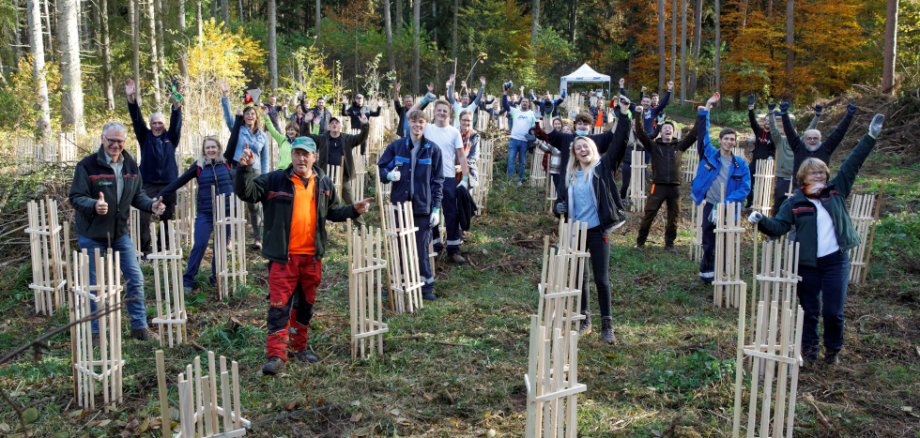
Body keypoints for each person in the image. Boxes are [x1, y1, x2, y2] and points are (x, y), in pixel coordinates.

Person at [750, 114, 885, 366]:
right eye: (813, 174)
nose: (819, 177)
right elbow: (778, 227)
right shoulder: (795, 202)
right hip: (807, 264)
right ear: (803, 178)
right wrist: (761, 221)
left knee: (833, 311)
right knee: (810, 310)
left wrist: (870, 136)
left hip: (835, 261)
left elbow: (853, 163)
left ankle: (833, 350)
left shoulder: (836, 190)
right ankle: (809, 352)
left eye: (821, 173)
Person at [235, 136, 373, 375]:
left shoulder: (324, 183)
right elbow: (247, 192)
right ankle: (276, 355)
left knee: (305, 305)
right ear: (292, 155)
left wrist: (353, 210)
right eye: (297, 153)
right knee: (279, 306)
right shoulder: (276, 180)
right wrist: (244, 169)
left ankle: (299, 347)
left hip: (311, 258)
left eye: (305, 154)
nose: (301, 158)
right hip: (283, 258)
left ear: (314, 157)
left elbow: (333, 212)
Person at [68, 121, 167, 341]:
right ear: (102, 139)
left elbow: (137, 194)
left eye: (119, 141)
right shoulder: (87, 166)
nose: (115, 145)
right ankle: (95, 333)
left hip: (120, 233)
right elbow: (75, 196)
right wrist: (94, 205)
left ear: (125, 141)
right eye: (111, 140)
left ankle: (139, 327)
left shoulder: (130, 165)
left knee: (136, 277)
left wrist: (151, 205)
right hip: (92, 234)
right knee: (95, 285)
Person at [553, 98, 632, 344]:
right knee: (579, 276)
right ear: (574, 153)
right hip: (576, 231)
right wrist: (559, 207)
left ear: (592, 148)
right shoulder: (569, 176)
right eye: (578, 148)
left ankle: (607, 325)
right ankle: (585, 320)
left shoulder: (602, 167)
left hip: (598, 230)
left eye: (585, 146)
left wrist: (625, 115)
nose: (582, 150)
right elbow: (560, 205)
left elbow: (619, 142)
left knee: (601, 277)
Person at [377, 109, 444, 300]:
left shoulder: (432, 150)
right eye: (414, 122)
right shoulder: (397, 147)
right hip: (400, 205)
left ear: (425, 124)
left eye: (421, 122)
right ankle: (398, 282)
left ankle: (425, 287)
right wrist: (388, 175)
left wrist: (436, 208)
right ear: (408, 124)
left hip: (422, 207)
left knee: (421, 247)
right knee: (398, 244)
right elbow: (382, 167)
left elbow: (437, 181)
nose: (417, 125)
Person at [157, 136, 234, 294]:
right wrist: (162, 194)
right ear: (204, 151)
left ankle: (216, 278)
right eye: (208, 148)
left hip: (225, 212)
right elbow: (180, 180)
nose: (211, 150)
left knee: (220, 247)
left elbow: (234, 139)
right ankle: (188, 280)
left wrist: (239, 119)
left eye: (213, 147)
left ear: (219, 149)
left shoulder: (227, 162)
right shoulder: (199, 166)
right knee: (200, 244)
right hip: (205, 213)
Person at [691, 93, 751, 283]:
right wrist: (707, 107)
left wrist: (726, 203)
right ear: (721, 140)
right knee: (708, 240)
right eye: (726, 139)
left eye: (732, 139)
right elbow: (703, 134)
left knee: (725, 241)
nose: (728, 142)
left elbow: (745, 187)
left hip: (729, 208)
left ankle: (723, 273)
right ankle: (707, 273)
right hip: (711, 205)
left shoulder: (740, 164)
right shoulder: (709, 154)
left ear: (735, 143)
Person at [125, 78, 181, 256]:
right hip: (147, 183)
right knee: (144, 217)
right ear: (150, 125)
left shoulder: (171, 137)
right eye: (154, 123)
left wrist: (176, 101)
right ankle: (145, 249)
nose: (157, 125)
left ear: (164, 125)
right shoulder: (145, 136)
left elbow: (177, 119)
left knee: (166, 217)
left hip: (169, 184)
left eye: (160, 123)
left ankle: (163, 248)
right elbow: (137, 120)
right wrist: (131, 99)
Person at [633, 107, 699, 251]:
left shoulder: (680, 146)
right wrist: (638, 114)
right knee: (649, 213)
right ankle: (640, 242)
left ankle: (669, 244)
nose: (668, 130)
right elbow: (640, 133)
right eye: (665, 128)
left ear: (673, 132)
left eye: (670, 128)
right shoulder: (654, 146)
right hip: (658, 186)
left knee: (673, 216)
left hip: (674, 187)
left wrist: (701, 115)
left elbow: (694, 134)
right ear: (661, 132)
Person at [418, 99, 470, 264]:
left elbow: (461, 155)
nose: (441, 113)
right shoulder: (426, 129)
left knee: (451, 213)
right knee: (429, 211)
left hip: (447, 177)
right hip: (428, 177)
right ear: (434, 112)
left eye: (445, 111)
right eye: (439, 110)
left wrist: (466, 178)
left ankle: (453, 249)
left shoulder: (454, 132)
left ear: (449, 113)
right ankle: (435, 244)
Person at [220, 79, 268, 250]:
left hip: (254, 173)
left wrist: (264, 177)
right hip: (236, 170)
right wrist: (225, 96)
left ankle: (258, 238)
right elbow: (227, 117)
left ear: (256, 117)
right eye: (247, 113)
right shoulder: (238, 129)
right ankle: (228, 239)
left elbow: (264, 158)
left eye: (252, 114)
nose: (249, 116)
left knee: (254, 206)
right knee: (231, 204)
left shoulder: (263, 136)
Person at [304, 113, 370, 209]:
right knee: (321, 202)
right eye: (332, 123)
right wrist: (306, 122)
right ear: (329, 126)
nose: (334, 125)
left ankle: (361, 224)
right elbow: (307, 137)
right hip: (325, 176)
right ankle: (323, 223)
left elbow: (361, 138)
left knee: (351, 202)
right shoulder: (322, 138)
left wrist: (365, 125)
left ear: (340, 126)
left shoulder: (347, 139)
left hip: (342, 176)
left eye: (337, 123)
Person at [779, 100, 857, 180]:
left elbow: (839, 133)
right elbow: (790, 132)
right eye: (809, 138)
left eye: (815, 138)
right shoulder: (798, 147)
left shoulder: (826, 148)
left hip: (820, 187)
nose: (812, 140)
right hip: (800, 188)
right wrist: (784, 114)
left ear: (820, 139)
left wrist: (849, 116)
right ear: (805, 139)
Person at [768, 102, 821, 209]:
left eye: (793, 130)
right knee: (778, 205)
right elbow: (773, 129)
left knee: (797, 206)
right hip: (782, 179)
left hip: (798, 180)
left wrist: (817, 115)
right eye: (789, 130)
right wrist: (770, 113)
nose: (791, 132)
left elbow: (810, 129)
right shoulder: (779, 141)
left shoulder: (800, 143)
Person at [745, 94, 776, 208]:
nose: (767, 123)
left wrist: (771, 156)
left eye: (770, 121)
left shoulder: (774, 135)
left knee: (763, 184)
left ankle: (762, 203)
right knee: (749, 180)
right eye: (766, 120)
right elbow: (752, 120)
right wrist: (751, 108)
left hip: (766, 163)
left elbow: (775, 149)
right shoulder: (758, 131)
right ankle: (750, 202)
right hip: (755, 161)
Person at [502, 86, 536, 185]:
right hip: (514, 139)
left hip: (525, 142)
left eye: (526, 102)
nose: (524, 103)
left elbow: (534, 128)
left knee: (522, 162)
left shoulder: (531, 114)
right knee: (511, 160)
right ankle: (510, 180)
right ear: (521, 103)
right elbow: (505, 105)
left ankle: (520, 180)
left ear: (529, 104)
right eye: (523, 101)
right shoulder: (515, 111)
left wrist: (533, 137)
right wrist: (505, 93)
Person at [458, 110, 481, 188]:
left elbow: (474, 157)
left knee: (466, 199)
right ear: (459, 120)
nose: (466, 122)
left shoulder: (475, 136)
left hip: (469, 174)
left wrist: (461, 167)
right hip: (452, 172)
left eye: (469, 120)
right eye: (464, 120)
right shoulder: (454, 134)